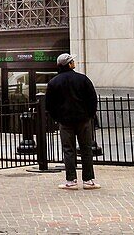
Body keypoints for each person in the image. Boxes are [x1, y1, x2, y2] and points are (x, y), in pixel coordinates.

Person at [45, 53, 100, 190]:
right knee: (86, 149)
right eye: (72, 61)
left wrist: (57, 118)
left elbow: (49, 105)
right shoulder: (82, 79)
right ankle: (88, 180)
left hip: (65, 121)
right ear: (69, 64)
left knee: (68, 150)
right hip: (83, 120)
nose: (74, 62)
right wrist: (90, 115)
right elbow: (92, 99)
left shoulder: (53, 82)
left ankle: (71, 180)